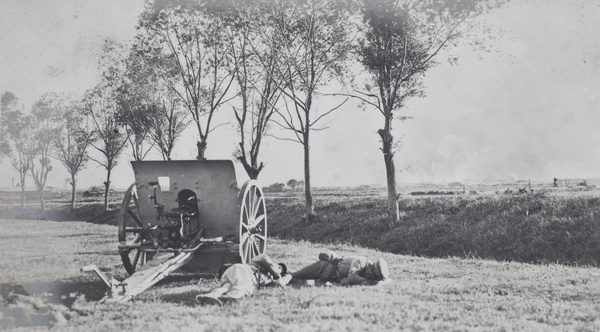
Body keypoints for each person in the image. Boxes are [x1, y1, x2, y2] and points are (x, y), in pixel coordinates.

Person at [196, 253, 291, 306]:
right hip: (243, 270)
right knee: (243, 287)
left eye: (280, 270)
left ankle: (210, 296)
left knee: (226, 287)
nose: (278, 269)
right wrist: (277, 273)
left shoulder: (269, 279)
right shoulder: (261, 263)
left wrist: (289, 276)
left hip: (234, 274)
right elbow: (263, 257)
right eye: (278, 266)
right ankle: (231, 297)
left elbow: (280, 284)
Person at [291, 251, 389, 286]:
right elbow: (351, 277)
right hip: (326, 267)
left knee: (304, 282)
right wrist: (369, 282)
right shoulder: (362, 261)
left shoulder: (369, 272)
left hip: (331, 278)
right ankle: (282, 272)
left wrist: (378, 282)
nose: (370, 275)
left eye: (373, 276)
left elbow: (388, 280)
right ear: (371, 267)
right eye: (371, 273)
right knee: (297, 275)